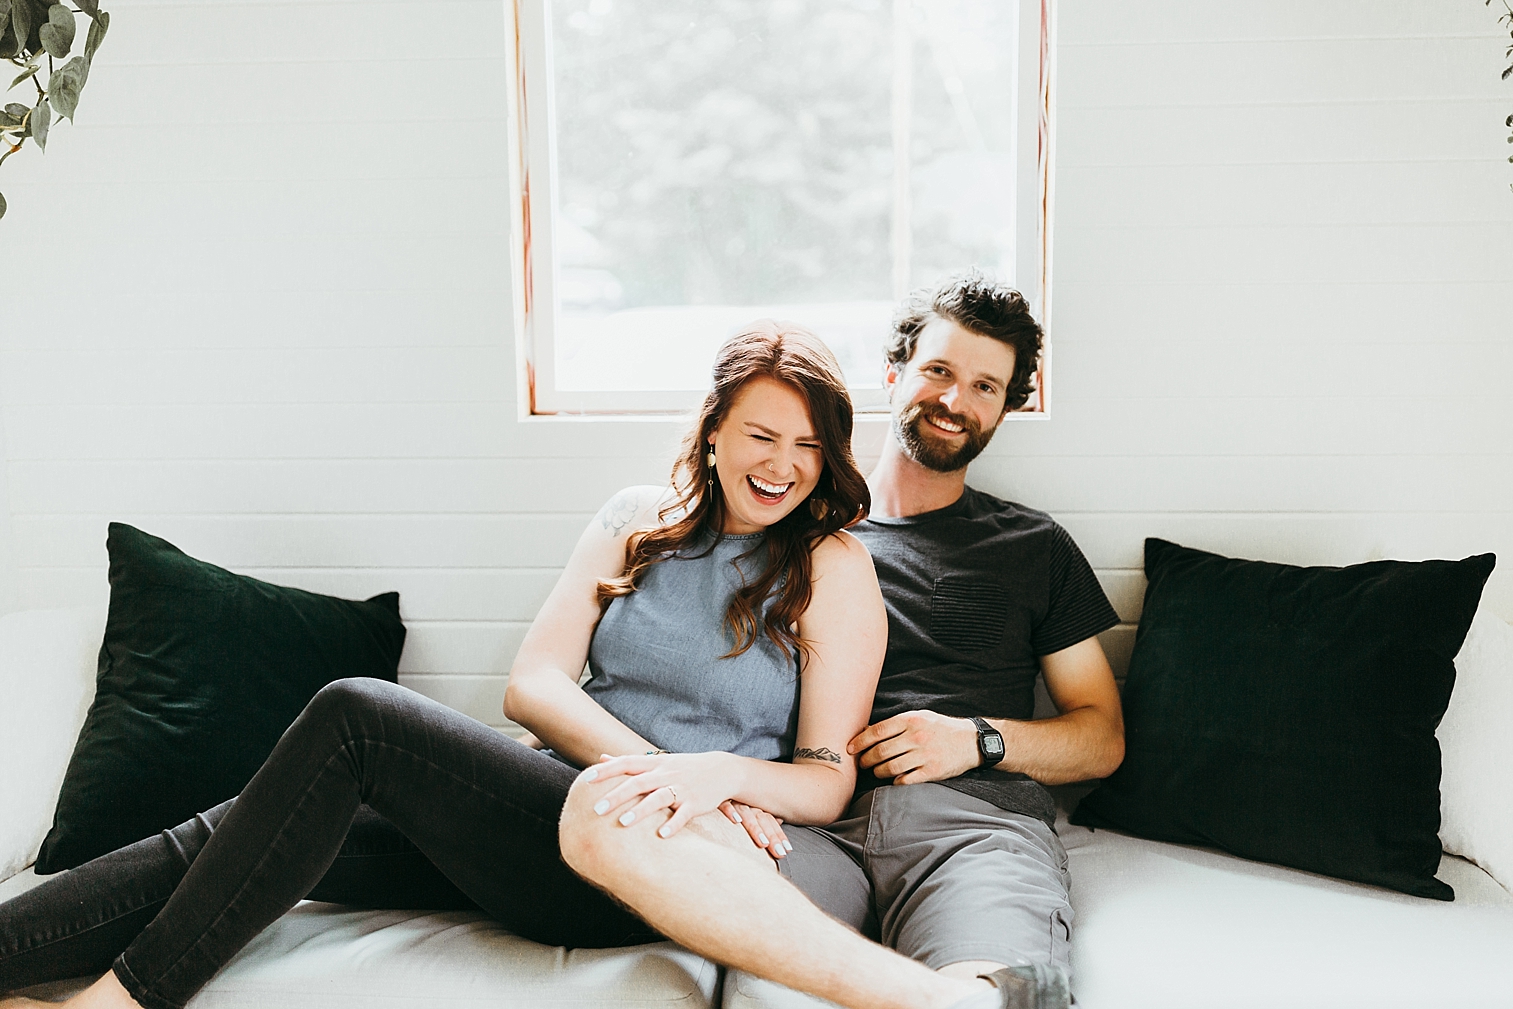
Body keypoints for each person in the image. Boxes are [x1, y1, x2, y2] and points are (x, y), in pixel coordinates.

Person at [3, 323, 1026, 1009]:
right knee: (249, 827)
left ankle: (121, 1001)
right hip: (549, 809)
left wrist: (699, 778)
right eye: (761, 433)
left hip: (667, 848)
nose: (784, 463)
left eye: (807, 444)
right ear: (713, 431)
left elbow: (825, 773)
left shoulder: (833, 566)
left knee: (356, 715)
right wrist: (649, 762)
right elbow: (532, 685)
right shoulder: (637, 521)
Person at [559, 270, 1125, 1009]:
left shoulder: (1030, 545)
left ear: (1006, 407)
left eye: (985, 387)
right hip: (811, 822)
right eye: (938, 371)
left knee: (991, 989)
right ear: (893, 374)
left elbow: (1100, 737)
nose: (955, 400)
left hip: (968, 823)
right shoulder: (779, 521)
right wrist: (720, 784)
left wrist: (976, 738)